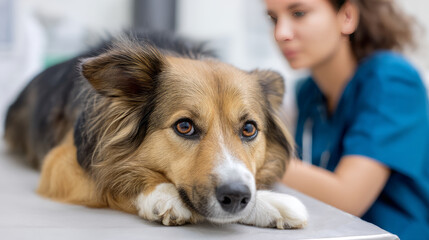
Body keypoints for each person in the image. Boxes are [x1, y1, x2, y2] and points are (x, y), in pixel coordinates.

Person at [263, 0, 429, 239]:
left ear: (347, 16)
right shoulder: (308, 93)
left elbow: (348, 197)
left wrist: (253, 153)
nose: (281, 33)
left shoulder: (392, 81)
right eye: (273, 19)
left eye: (299, 13)